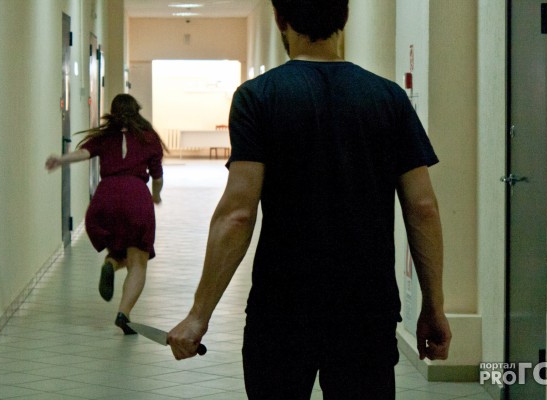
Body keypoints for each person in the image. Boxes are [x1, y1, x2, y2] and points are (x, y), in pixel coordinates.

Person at [168, 0, 452, 398]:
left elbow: (237, 214)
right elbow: (422, 208)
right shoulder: (388, 98)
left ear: (280, 18)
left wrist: (199, 314)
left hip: (282, 306)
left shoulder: (258, 97)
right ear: (344, 18)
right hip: (366, 309)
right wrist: (434, 306)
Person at [45, 93, 166, 335]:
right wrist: (156, 195)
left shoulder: (104, 136)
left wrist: (61, 159)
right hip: (136, 197)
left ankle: (111, 263)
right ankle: (124, 313)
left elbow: (83, 153)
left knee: (119, 249)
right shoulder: (149, 137)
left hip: (105, 198)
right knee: (138, 262)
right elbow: (157, 176)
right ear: (136, 111)